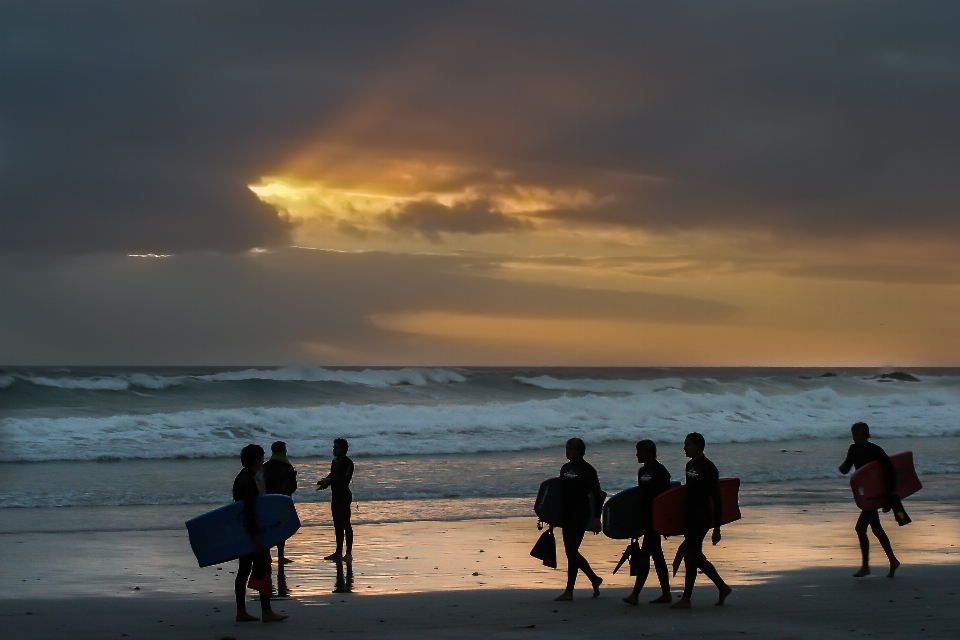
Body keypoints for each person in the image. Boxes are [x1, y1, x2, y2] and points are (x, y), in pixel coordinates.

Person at [670, 432, 732, 609]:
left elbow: (717, 499)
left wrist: (717, 529)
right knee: (695, 555)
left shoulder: (709, 468)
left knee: (691, 554)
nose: (684, 447)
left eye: (687, 444)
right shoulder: (689, 465)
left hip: (703, 517)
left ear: (697, 445)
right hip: (690, 516)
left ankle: (687, 598)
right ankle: (722, 587)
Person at [233, 444, 287, 623]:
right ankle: (266, 611)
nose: (263, 461)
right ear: (256, 460)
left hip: (245, 531)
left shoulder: (243, 477)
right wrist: (257, 538)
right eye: (262, 458)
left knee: (245, 570)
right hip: (252, 532)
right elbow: (249, 512)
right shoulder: (247, 482)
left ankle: (242, 611)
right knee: (263, 568)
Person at [838, 422, 900, 578]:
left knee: (860, 528)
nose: (856, 438)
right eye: (854, 435)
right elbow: (849, 466)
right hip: (866, 493)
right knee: (876, 528)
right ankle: (893, 560)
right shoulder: (853, 449)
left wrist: (890, 495)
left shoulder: (875, 450)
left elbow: (890, 471)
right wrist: (843, 468)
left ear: (866, 435)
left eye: (859, 435)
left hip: (877, 493)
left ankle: (866, 566)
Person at [623, 440, 673, 605]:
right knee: (657, 555)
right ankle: (666, 593)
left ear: (649, 453)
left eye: (640, 452)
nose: (637, 454)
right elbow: (640, 497)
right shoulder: (642, 471)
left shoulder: (660, 471)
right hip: (645, 518)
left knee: (645, 555)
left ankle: (635, 594)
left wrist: (665, 521)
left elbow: (666, 499)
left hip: (656, 518)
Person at [554, 437, 604, 601]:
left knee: (572, 551)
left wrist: (597, 518)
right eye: (566, 448)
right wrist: (553, 515)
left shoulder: (588, 470)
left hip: (581, 514)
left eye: (570, 449)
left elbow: (597, 495)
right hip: (567, 514)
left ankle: (569, 591)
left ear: (579, 451)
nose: (567, 451)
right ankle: (594, 579)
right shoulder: (565, 468)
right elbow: (560, 494)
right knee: (571, 551)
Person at [317, 438, 354, 561]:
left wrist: (330, 481)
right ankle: (338, 552)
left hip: (344, 496)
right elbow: (332, 475)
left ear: (343, 449)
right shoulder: (334, 462)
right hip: (336, 496)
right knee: (337, 525)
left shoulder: (348, 463)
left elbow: (344, 480)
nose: (334, 449)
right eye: (334, 447)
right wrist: (324, 481)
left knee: (346, 524)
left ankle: (348, 553)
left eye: (336, 447)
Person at [263, 440, 298, 565]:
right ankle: (281, 556)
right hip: (281, 500)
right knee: (281, 527)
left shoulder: (265, 466)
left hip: (266, 501)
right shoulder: (287, 466)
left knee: (267, 527)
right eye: (285, 449)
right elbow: (293, 487)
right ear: (283, 451)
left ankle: (267, 555)